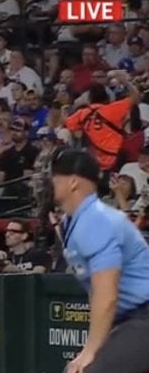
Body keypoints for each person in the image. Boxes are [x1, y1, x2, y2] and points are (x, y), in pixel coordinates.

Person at [50, 149, 149, 373]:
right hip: (129, 319)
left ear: (73, 182)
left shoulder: (96, 220)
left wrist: (90, 350)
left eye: (56, 177)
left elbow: (107, 295)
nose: (52, 182)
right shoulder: (75, 221)